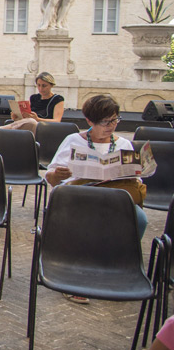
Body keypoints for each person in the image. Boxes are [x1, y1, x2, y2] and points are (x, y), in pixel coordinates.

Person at [45, 95, 148, 302]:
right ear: (90, 121)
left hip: (113, 201)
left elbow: (133, 178)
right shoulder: (73, 141)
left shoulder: (124, 143)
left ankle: (116, 267)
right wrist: (57, 176)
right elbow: (51, 177)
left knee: (140, 219)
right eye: (105, 122)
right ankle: (75, 276)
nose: (111, 126)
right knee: (84, 222)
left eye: (115, 120)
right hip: (80, 200)